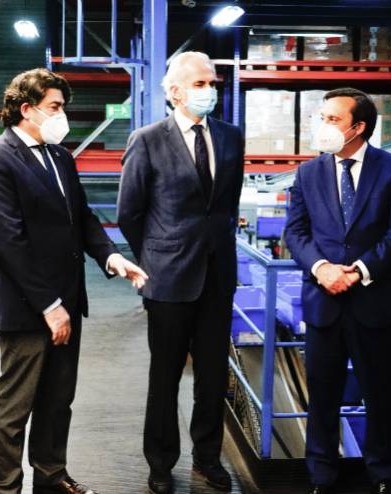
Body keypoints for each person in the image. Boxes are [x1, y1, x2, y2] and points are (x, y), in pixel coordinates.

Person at [0, 68, 147, 494]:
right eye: (54, 107)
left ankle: (51, 476)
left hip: (68, 298)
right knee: (15, 406)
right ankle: (5, 487)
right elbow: (10, 241)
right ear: (26, 109)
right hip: (28, 306)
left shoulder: (60, 157)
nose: (61, 115)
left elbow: (81, 218)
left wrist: (111, 257)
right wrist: (49, 306)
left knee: (57, 400)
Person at [117, 51, 245, 494]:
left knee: (212, 377)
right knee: (165, 376)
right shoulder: (147, 140)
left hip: (217, 276)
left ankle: (208, 457)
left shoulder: (230, 138)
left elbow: (226, 205)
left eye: (212, 84)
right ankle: (160, 463)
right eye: (200, 84)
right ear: (174, 91)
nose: (209, 91)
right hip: (168, 278)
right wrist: (155, 258)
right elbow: (129, 212)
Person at [284, 88, 391, 494]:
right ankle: (322, 474)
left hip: (375, 301)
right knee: (322, 394)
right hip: (324, 300)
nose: (322, 125)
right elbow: (296, 232)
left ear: (358, 127)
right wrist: (322, 268)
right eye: (322, 117)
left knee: (379, 393)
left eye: (332, 119)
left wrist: (359, 271)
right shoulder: (308, 173)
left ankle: (383, 474)